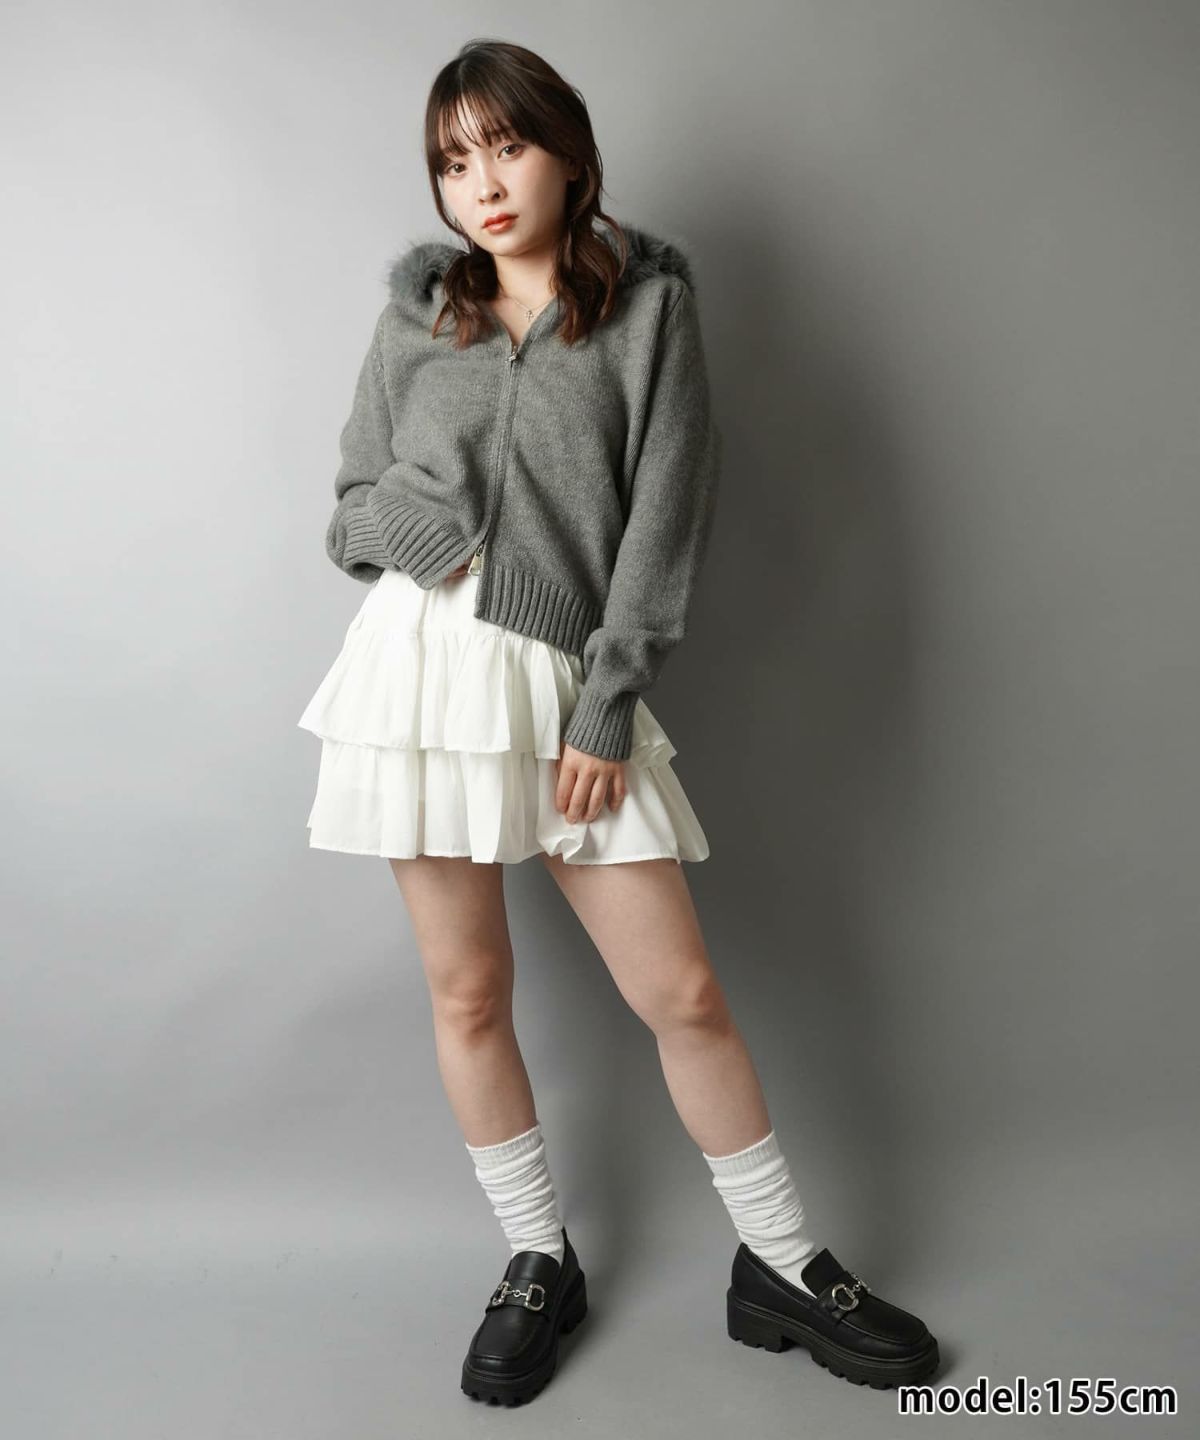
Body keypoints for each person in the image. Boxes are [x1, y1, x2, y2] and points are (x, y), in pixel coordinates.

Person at [297, 38, 940, 1407]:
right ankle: (539, 1257)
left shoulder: (649, 312)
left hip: (565, 678)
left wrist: (607, 701)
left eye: (506, 147)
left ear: (570, 155)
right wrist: (430, 533)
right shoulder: (419, 317)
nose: (482, 184)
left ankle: (782, 1263)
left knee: (683, 995)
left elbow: (665, 518)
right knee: (468, 992)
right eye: (453, 162)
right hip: (419, 675)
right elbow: (350, 504)